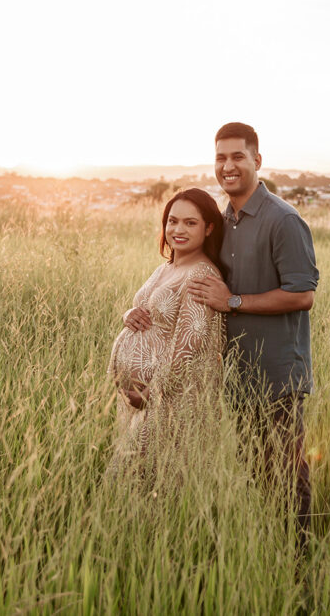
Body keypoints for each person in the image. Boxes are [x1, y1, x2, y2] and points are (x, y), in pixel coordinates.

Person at [188, 122, 319, 547]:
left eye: (237, 156)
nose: (228, 166)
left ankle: (301, 567)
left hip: (279, 373)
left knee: (286, 475)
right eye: (221, 157)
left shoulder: (283, 220)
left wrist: (234, 303)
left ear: (257, 161)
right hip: (239, 374)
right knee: (257, 473)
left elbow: (303, 296)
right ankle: (268, 554)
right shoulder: (222, 220)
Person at [106, 188, 227, 474]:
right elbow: (150, 312)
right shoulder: (167, 268)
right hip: (141, 403)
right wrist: (128, 315)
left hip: (166, 404)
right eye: (172, 221)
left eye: (190, 222)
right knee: (132, 483)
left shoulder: (200, 274)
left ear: (209, 228)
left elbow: (189, 345)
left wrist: (150, 393)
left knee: (144, 483)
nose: (178, 229)